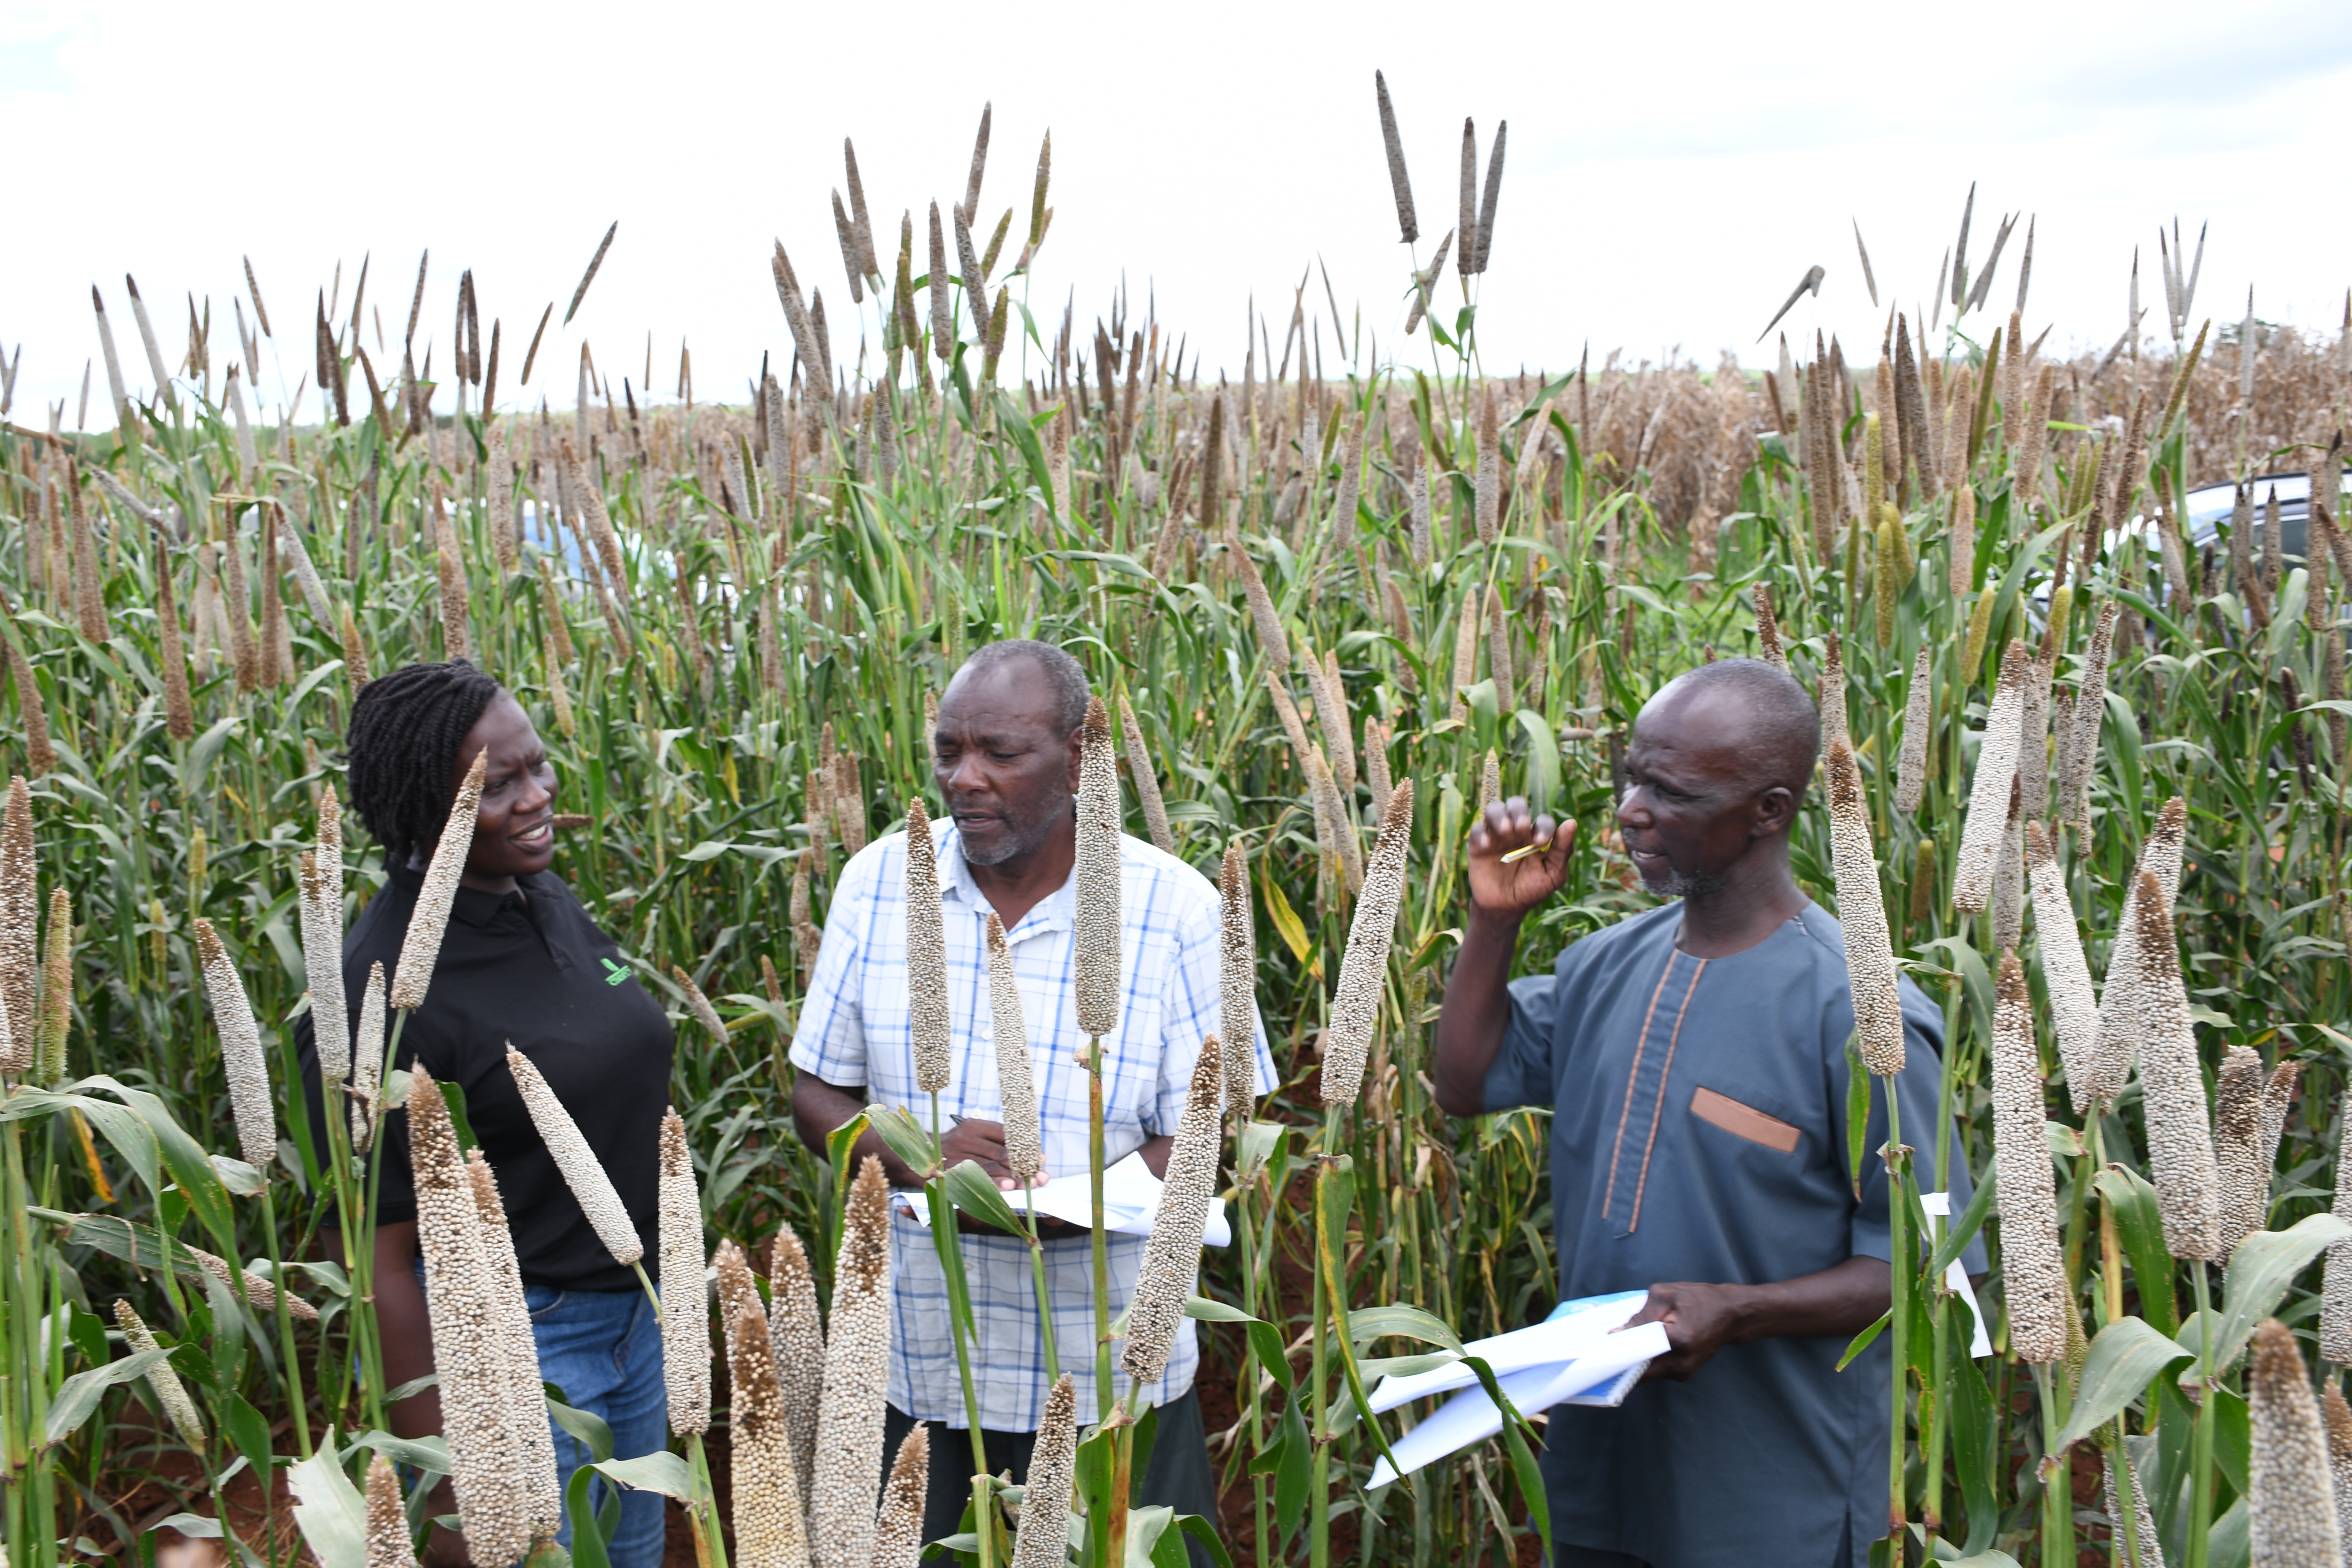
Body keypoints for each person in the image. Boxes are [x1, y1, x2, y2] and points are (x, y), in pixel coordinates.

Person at [1431, 658, 1983, 1568]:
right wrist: (1494, 922)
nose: (1631, 810)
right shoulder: (1606, 964)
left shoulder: (1857, 1014)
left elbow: (1932, 1273)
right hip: (1604, 1464)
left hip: (1770, 1492)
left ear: (1768, 809)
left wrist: (1741, 1309)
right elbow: (1465, 1081)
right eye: (1632, 774)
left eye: (1673, 791)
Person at [790, 639, 1273, 1555]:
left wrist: (1078, 1207)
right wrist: (911, 1156)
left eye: (1000, 754)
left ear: (1080, 758)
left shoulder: (1175, 912)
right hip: (921, 1370)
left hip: (1113, 1382)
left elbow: (1220, 1124)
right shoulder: (878, 886)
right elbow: (817, 1089)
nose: (965, 778)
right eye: (948, 751)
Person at [297, 660, 675, 1568]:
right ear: (426, 804)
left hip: (642, 1317)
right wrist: (448, 1466)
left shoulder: (540, 894)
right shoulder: (380, 987)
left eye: (537, 767)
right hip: (522, 1353)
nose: (538, 795)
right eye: (498, 785)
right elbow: (378, 1257)